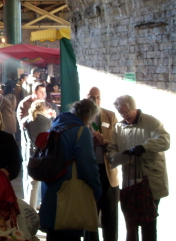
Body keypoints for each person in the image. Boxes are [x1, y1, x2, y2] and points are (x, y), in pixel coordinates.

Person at [107, 95, 169, 241]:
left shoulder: (151, 122)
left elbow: (165, 141)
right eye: (121, 114)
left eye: (126, 113)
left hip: (151, 181)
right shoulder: (119, 127)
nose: (124, 116)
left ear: (133, 108)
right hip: (130, 183)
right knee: (130, 223)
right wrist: (120, 156)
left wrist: (144, 147)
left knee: (149, 222)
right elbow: (111, 150)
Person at [40, 99, 102, 241]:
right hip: (69, 191)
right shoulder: (81, 131)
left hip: (50, 187)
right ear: (86, 118)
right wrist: (96, 189)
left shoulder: (56, 123)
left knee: (53, 234)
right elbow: (88, 164)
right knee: (68, 234)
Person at [84, 87, 119, 241]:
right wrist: (90, 142)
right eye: (92, 97)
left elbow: (119, 142)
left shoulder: (110, 116)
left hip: (108, 172)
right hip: (90, 172)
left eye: (97, 97)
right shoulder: (81, 118)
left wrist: (104, 142)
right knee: (91, 214)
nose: (95, 100)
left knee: (110, 214)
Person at [23, 100, 53, 210]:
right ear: (43, 109)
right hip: (44, 156)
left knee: (33, 184)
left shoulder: (28, 121)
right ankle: (44, 206)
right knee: (46, 183)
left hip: (33, 155)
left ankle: (31, 207)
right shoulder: (46, 121)